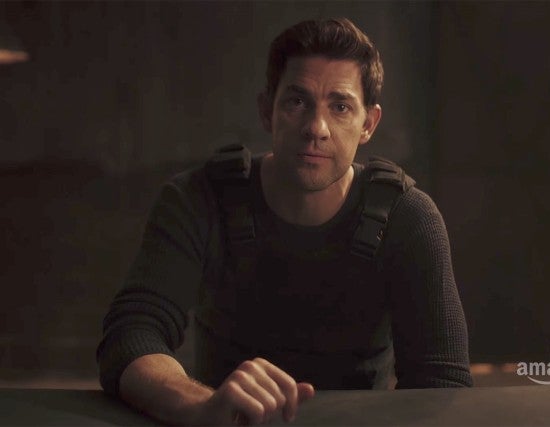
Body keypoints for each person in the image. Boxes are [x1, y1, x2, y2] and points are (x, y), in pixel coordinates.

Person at [96, 17, 472, 426]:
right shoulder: (198, 199)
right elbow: (131, 334)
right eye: (297, 102)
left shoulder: (409, 218)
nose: (316, 128)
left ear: (368, 124)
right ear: (266, 110)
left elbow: (442, 383)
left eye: (340, 107)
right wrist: (200, 407)